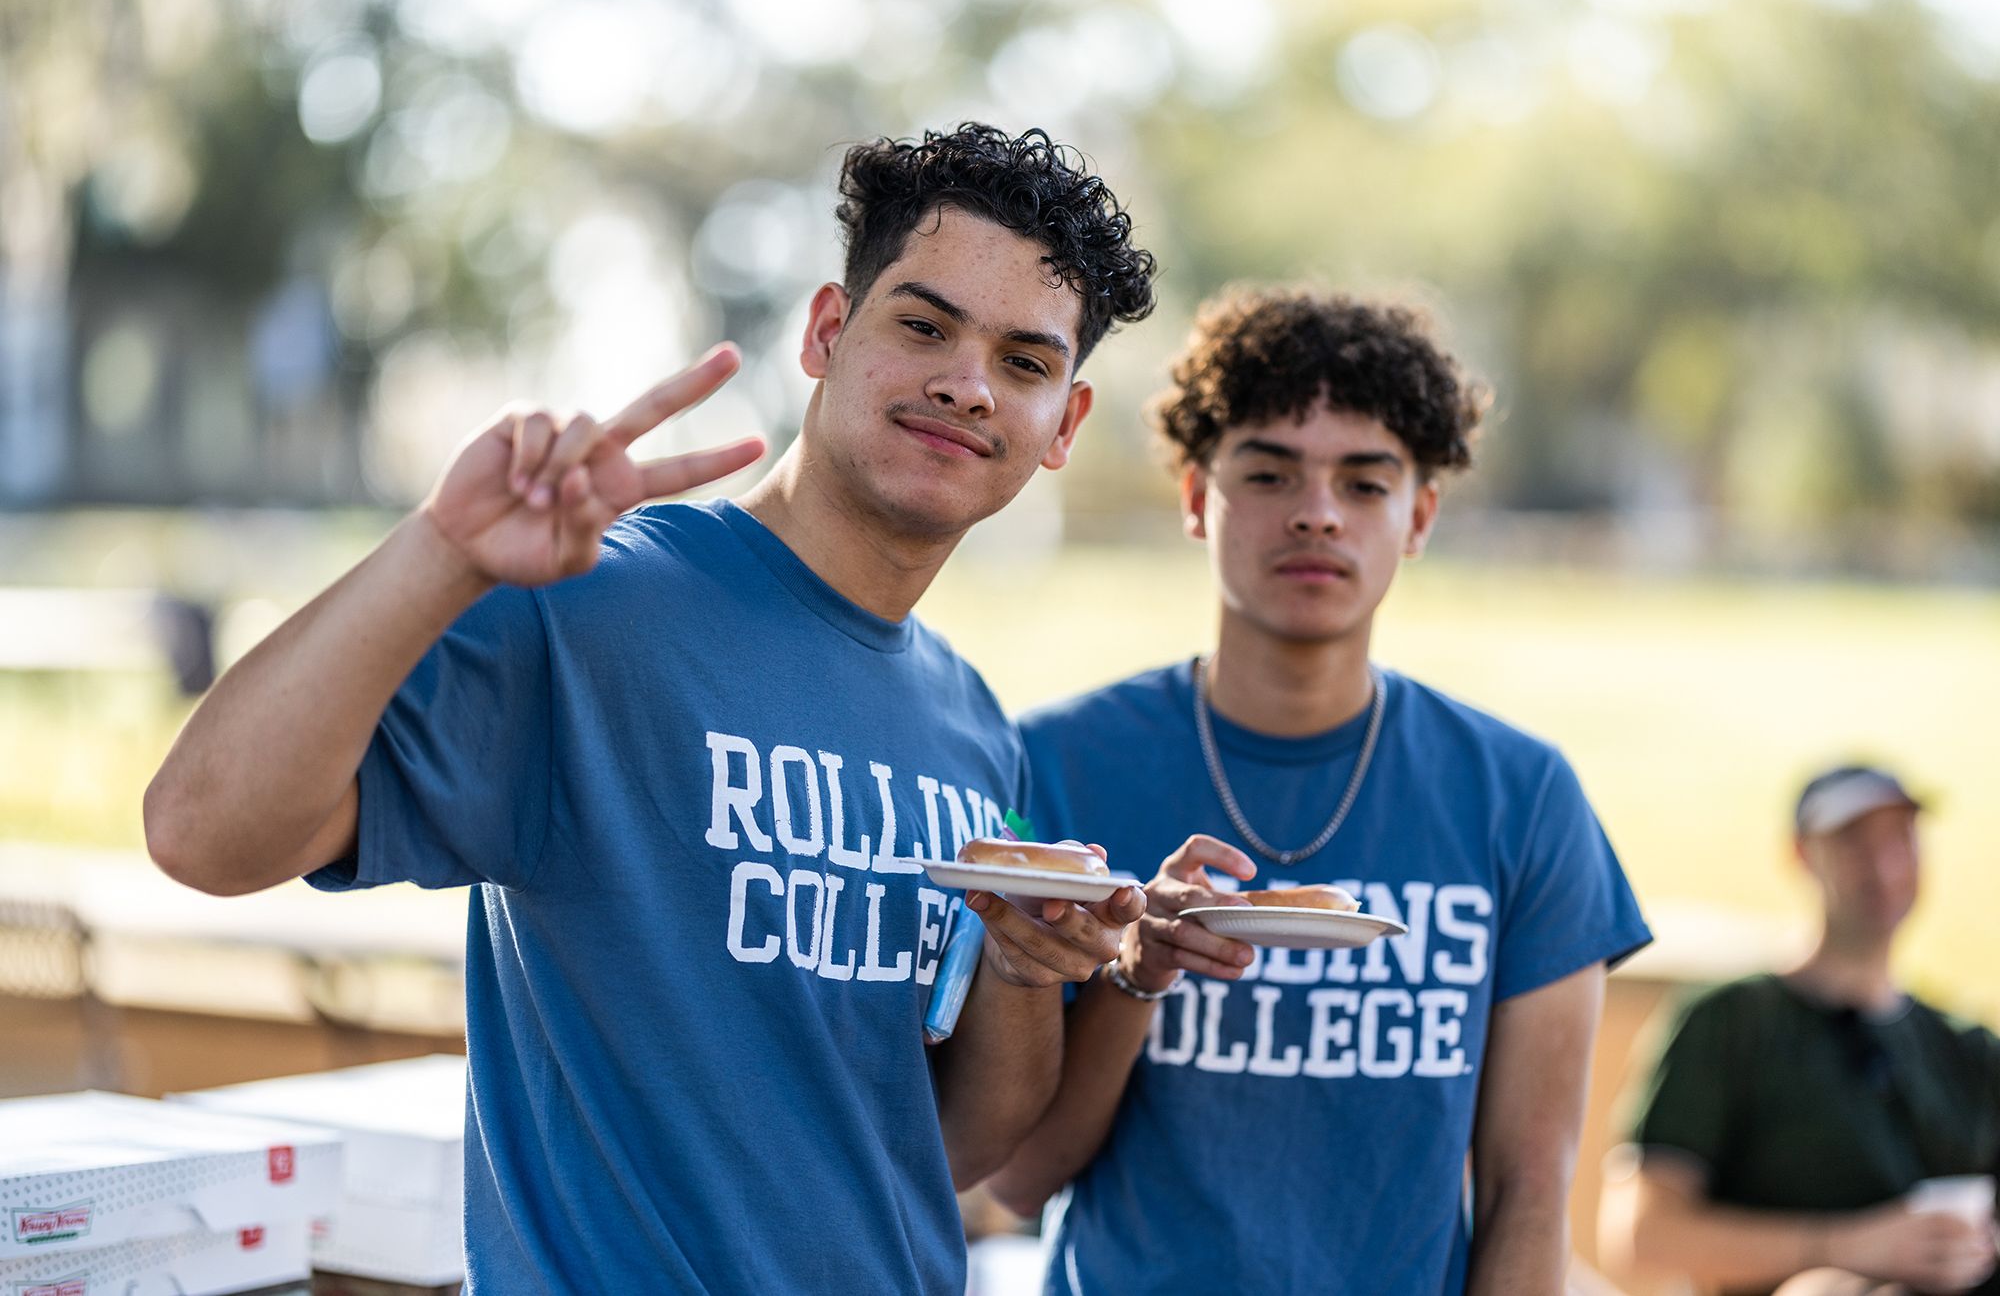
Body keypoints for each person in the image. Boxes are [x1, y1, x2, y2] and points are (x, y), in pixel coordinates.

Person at [143, 124, 1155, 1295]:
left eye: (1023, 363)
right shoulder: (589, 605)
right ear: (828, 332)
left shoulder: (969, 720)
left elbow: (937, 1147)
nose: (966, 383)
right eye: (922, 325)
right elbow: (198, 830)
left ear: (1063, 425)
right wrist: (436, 556)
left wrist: (1027, 972)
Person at [986, 286, 1652, 1295]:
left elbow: (1526, 1192)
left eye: (1365, 481)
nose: (1315, 510)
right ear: (1193, 494)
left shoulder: (1521, 797)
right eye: (1266, 470)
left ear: (1419, 513)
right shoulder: (1048, 764)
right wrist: (1137, 967)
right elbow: (1019, 1179)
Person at [1600, 764, 2000, 1296]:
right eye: (1855, 842)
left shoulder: (1967, 1047)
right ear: (1802, 854)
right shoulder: (1733, 1022)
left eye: (1900, 838)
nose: (1883, 866)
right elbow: (1641, 1236)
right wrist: (1848, 1246)